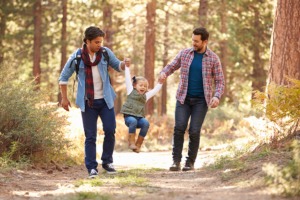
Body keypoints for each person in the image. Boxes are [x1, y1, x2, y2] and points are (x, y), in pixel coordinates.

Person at [59, 26, 130, 178]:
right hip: (88, 102)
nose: (99, 45)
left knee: (110, 130)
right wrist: (64, 98)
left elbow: (118, 66)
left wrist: (125, 64)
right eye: (96, 42)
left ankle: (107, 162)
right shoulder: (77, 57)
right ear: (87, 41)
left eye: (101, 42)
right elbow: (63, 78)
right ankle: (92, 167)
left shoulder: (104, 53)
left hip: (106, 101)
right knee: (90, 136)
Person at [159, 27, 225, 171]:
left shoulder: (213, 58)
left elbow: (220, 81)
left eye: (196, 41)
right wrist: (164, 73)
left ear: (205, 41)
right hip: (183, 98)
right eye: (192, 40)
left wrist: (216, 96)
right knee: (179, 128)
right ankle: (176, 161)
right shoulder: (185, 54)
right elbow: (171, 66)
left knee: (194, 131)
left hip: (201, 101)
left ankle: (190, 162)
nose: (193, 43)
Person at [120, 65, 164, 153]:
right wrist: (127, 67)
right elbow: (128, 79)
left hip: (139, 118)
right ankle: (131, 142)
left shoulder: (145, 96)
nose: (143, 87)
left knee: (145, 123)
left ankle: (138, 144)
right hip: (129, 117)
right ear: (135, 86)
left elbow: (155, 90)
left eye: (145, 86)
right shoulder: (130, 91)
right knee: (133, 121)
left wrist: (160, 82)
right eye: (141, 85)